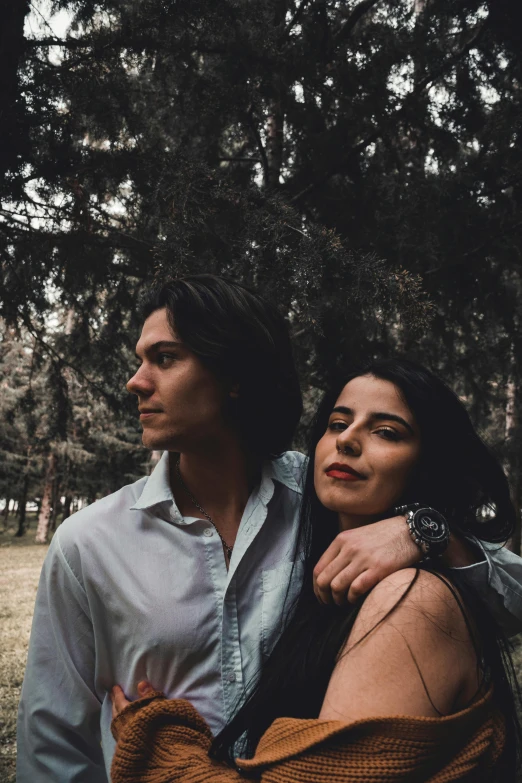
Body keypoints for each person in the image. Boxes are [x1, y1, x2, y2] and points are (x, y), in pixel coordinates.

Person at [17, 276, 522, 782]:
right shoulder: (88, 543)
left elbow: (508, 597)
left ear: (234, 375)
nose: (136, 380)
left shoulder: (327, 498)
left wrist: (419, 532)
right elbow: (53, 746)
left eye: (164, 359)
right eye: (337, 423)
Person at [109, 359, 521, 782]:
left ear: (429, 463)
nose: (347, 440)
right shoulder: (323, 573)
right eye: (337, 423)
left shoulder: (413, 599)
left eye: (386, 432)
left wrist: (163, 756)